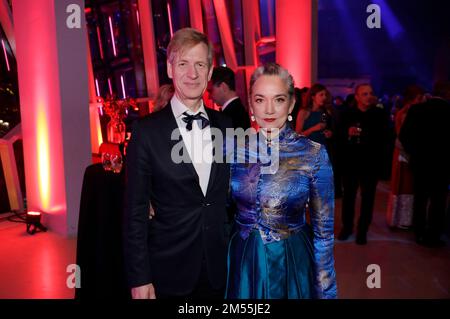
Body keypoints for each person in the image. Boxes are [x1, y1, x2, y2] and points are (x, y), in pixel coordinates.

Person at [123, 28, 232, 299]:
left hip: (222, 268)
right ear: (170, 69)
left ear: (209, 73)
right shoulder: (146, 131)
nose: (192, 74)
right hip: (168, 270)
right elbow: (134, 212)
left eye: (200, 64)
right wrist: (139, 277)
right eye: (183, 63)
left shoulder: (226, 125)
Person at [226, 63, 337, 299]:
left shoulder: (313, 154)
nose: (268, 109)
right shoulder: (234, 150)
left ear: (291, 104)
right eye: (259, 99)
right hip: (243, 261)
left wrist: (326, 292)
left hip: (290, 260)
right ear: (251, 105)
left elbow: (324, 233)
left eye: (278, 99)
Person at [337, 84, 390, 245]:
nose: (368, 96)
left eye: (370, 93)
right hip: (351, 162)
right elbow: (338, 135)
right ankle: (347, 228)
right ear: (357, 97)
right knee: (349, 197)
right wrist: (347, 132)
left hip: (370, 162)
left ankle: (362, 231)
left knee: (368, 198)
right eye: (364, 94)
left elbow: (385, 137)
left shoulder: (379, 114)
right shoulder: (347, 114)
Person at [399, 81, 450, 247]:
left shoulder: (416, 109)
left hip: (420, 162)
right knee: (438, 200)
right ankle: (434, 235)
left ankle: (419, 233)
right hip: (443, 164)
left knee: (420, 199)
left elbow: (404, 136)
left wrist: (415, 152)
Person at [386, 85, 425, 229]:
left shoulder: (404, 111)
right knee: (405, 185)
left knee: (403, 185)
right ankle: (403, 220)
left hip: (401, 149)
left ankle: (399, 218)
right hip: (404, 150)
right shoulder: (407, 112)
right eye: (420, 98)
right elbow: (403, 135)